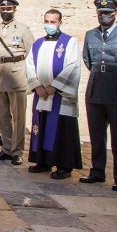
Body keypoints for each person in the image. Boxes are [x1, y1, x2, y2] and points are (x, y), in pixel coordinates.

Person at [80, 0, 117, 191]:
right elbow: (88, 60)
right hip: (96, 89)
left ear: (115, 13)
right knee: (96, 135)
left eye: (107, 13)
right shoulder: (91, 35)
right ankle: (97, 171)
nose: (103, 16)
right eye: (100, 13)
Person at [26, 9, 82, 179]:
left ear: (60, 23)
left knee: (62, 129)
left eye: (53, 22)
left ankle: (64, 166)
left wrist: (55, 87)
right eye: (47, 21)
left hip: (60, 95)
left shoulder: (69, 42)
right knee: (41, 126)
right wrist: (36, 86)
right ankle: (43, 161)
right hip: (41, 93)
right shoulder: (38, 43)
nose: (49, 25)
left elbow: (72, 65)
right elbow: (29, 64)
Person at [0, 0, 34, 165]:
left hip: (17, 74)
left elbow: (31, 53)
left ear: (14, 10)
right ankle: (6, 148)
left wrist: (31, 79)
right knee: (2, 116)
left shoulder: (23, 29)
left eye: (8, 10)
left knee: (19, 116)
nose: (5, 12)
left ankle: (17, 151)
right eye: (3, 10)